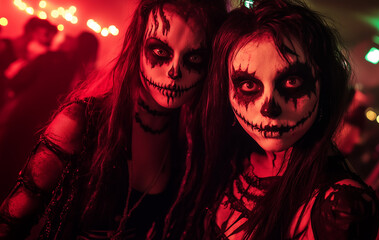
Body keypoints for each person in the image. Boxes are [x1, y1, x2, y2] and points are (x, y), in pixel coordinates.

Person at [0, 0, 226, 239]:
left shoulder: (190, 142)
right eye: (160, 51)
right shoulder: (82, 121)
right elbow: (10, 224)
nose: (174, 71)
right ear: (137, 46)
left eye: (194, 59)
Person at [164, 0, 379, 239]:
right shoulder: (229, 157)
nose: (268, 108)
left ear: (324, 82)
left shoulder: (340, 206)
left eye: (291, 82)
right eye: (249, 85)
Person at [0, 31, 99, 201]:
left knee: (5, 158)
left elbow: (18, 81)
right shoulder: (89, 78)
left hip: (24, 117)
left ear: (75, 44)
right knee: (23, 173)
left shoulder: (52, 59)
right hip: (52, 132)